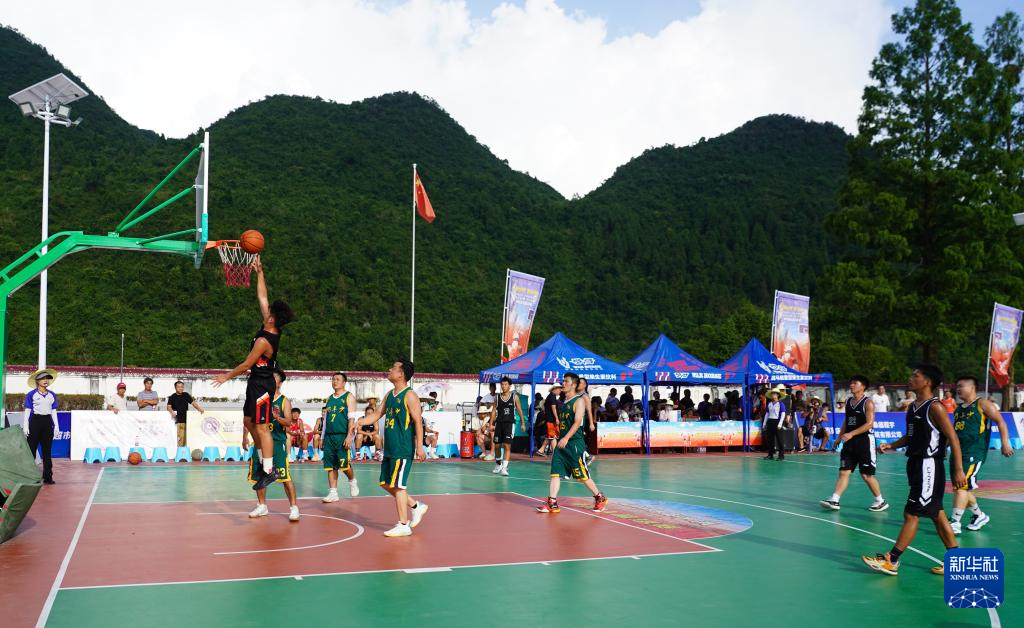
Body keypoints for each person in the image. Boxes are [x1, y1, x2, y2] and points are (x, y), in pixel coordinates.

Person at [862, 364, 964, 577]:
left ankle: (892, 560)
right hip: (915, 464)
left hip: (929, 465)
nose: (910, 378)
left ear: (927, 382)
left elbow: (953, 438)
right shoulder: (913, 407)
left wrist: (958, 470)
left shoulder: (935, 407)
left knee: (911, 513)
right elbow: (910, 437)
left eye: (915, 376)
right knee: (937, 514)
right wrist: (891, 445)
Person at [213, 257, 295, 491]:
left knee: (261, 426)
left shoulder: (264, 340)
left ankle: (269, 470)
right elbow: (262, 297)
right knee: (249, 422)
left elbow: (247, 364)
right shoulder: (269, 325)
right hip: (255, 383)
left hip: (262, 384)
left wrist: (226, 376)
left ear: (272, 318)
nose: (266, 311)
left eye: (270, 312)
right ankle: (263, 463)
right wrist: (259, 273)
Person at [349, 359, 428, 537]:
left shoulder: (410, 395)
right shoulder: (390, 395)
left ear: (401, 374)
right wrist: (360, 422)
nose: (389, 369)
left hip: (402, 447)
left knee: (399, 486)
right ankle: (416, 506)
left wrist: (419, 447)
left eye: (394, 368)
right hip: (390, 448)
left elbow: (418, 422)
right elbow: (377, 414)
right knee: (385, 483)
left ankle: (403, 524)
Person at [948, 375, 1014, 534]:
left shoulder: (983, 404)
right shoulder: (958, 409)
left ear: (972, 388)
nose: (958, 389)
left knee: (962, 487)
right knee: (961, 488)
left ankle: (954, 522)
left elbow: (1001, 422)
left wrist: (1005, 442)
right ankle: (979, 516)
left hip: (974, 452)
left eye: (961, 385)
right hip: (957, 453)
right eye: (957, 386)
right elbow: (955, 432)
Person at [535, 372, 608, 514]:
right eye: (563, 381)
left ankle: (600, 497)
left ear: (573, 385)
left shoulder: (578, 401)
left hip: (574, 443)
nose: (563, 383)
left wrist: (566, 437)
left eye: (566, 381)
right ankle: (552, 502)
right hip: (562, 443)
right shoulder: (564, 402)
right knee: (555, 473)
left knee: (581, 475)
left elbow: (577, 422)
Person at [819, 376, 887, 512]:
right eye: (851, 383)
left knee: (866, 475)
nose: (851, 385)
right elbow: (847, 421)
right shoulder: (849, 401)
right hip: (849, 442)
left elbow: (869, 424)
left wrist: (851, 434)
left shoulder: (868, 403)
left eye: (855, 383)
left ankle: (880, 501)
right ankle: (835, 499)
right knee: (844, 471)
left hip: (864, 441)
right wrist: (839, 437)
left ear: (863, 386)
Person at [248, 368, 300, 522]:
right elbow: (251, 419)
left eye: (273, 378)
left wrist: (277, 417)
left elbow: (289, 422)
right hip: (260, 444)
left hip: (277, 443)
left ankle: (294, 507)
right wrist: (245, 436)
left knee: (284, 476)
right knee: (259, 475)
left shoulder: (284, 401)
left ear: (280, 383)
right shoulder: (261, 398)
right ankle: (262, 506)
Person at [321, 372, 360, 501]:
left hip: (342, 436)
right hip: (329, 437)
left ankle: (352, 480)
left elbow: (351, 419)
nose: (335, 381)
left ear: (344, 383)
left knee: (344, 465)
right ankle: (333, 493)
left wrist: (350, 436)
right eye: (333, 379)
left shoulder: (349, 397)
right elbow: (325, 420)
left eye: (338, 379)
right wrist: (322, 438)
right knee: (330, 466)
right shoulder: (329, 399)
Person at [24, 368, 59, 485]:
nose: (45, 380)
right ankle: (30, 477)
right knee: (31, 450)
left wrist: (56, 426)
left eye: (47, 378)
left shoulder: (52, 395)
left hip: (47, 422)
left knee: (47, 451)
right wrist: (26, 426)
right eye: (43, 378)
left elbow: (53, 411)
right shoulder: (31, 394)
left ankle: (48, 477)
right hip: (35, 422)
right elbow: (27, 411)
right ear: (37, 381)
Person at [490, 376, 526, 476]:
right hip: (499, 424)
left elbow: (520, 410)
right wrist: (491, 424)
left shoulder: (515, 397)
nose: (503, 386)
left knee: (507, 445)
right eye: (502, 384)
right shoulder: (497, 397)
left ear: (510, 386)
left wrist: (523, 423)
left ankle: (505, 467)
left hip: (509, 424)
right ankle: (498, 464)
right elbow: (493, 411)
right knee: (497, 446)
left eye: (506, 384)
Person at [166, 380, 205, 448]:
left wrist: (199, 408)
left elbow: (193, 403)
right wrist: (171, 411)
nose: (181, 388)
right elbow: (168, 407)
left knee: (185, 439)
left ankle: (184, 451)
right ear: (175, 388)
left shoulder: (186, 395)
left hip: (186, 420)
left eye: (182, 387)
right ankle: (178, 451)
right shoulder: (172, 397)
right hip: (176, 421)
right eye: (179, 387)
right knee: (178, 438)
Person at [762, 386, 787, 460]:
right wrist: (764, 423)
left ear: (778, 395)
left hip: (777, 422)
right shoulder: (769, 404)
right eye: (772, 394)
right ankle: (770, 455)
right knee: (770, 439)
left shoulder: (781, 404)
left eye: (774, 394)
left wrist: (780, 424)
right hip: (770, 422)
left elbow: (783, 414)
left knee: (780, 440)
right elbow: (767, 414)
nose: (773, 395)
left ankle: (781, 456)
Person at [539, 384, 562, 456]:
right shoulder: (552, 397)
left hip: (550, 419)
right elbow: (553, 408)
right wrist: (557, 418)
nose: (560, 391)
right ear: (555, 389)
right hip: (551, 420)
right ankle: (543, 450)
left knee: (552, 436)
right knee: (552, 436)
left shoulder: (550, 396)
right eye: (559, 389)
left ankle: (544, 450)